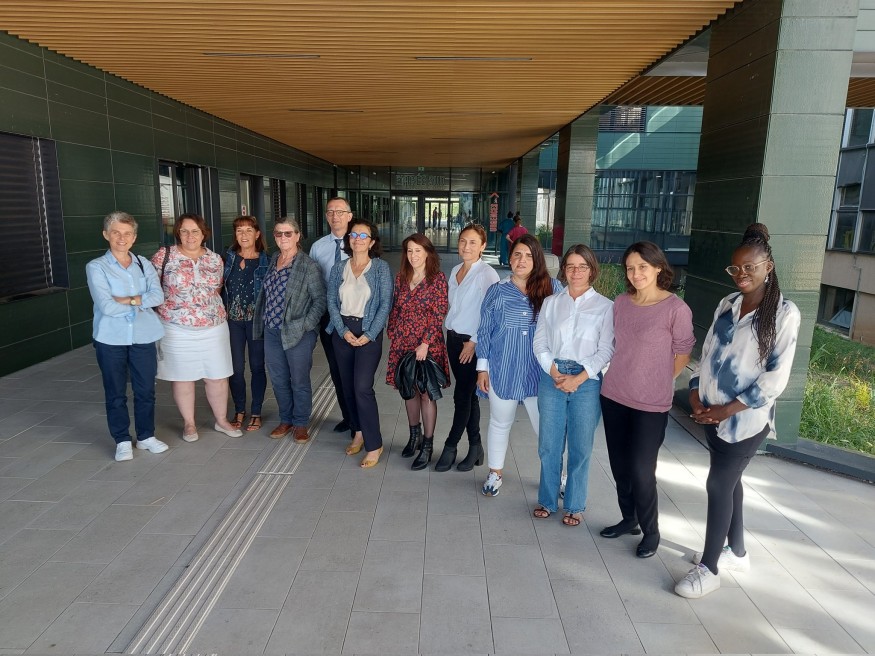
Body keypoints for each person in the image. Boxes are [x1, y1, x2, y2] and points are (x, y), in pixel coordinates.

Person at [676, 223, 801, 599]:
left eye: (750, 267)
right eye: (735, 268)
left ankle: (709, 569)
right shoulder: (727, 304)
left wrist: (727, 410)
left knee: (719, 484)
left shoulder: (784, 314)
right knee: (732, 482)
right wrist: (695, 395)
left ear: (768, 266)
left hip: (744, 421)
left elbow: (774, 379)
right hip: (710, 414)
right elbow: (707, 355)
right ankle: (737, 552)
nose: (741, 274)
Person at [599, 241, 695, 558]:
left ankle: (651, 531)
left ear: (658, 268)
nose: (636, 273)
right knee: (620, 466)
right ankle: (629, 519)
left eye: (642, 266)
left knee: (642, 470)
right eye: (630, 268)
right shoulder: (621, 303)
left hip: (651, 404)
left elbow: (683, 353)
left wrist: (658, 379)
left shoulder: (676, 309)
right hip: (614, 395)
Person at [532, 244, 614, 526]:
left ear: (592, 270)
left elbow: (606, 349)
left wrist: (578, 378)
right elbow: (540, 342)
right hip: (552, 376)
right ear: (564, 270)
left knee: (581, 447)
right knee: (548, 445)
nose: (576, 272)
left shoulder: (606, 307)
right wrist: (555, 374)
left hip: (587, 381)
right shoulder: (551, 302)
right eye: (571, 266)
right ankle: (547, 500)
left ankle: (575, 504)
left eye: (582, 266)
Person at [476, 234, 562, 496]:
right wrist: (482, 368)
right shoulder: (497, 291)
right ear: (510, 258)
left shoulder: (554, 288)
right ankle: (495, 473)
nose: (522, 260)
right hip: (504, 368)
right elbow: (485, 331)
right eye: (517, 254)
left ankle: (559, 476)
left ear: (537, 260)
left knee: (547, 428)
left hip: (541, 372)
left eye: (528, 255)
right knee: (500, 422)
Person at [152, 213, 243, 441]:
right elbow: (152, 289)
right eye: (184, 231)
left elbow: (217, 289)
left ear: (204, 234)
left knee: (217, 376)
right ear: (178, 233)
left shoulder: (215, 259)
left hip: (213, 327)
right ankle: (189, 424)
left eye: (195, 231)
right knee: (183, 377)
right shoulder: (164, 256)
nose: (190, 236)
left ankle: (221, 420)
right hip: (175, 327)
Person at [86, 211, 168, 462]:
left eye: (127, 233)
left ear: (134, 237)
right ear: (106, 235)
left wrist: (126, 300)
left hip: (144, 336)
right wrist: (140, 301)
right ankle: (122, 440)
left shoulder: (143, 263)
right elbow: (106, 307)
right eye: (116, 233)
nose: (122, 238)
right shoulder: (96, 267)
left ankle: (145, 436)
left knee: (146, 390)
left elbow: (158, 296)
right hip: (110, 339)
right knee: (115, 392)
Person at [327, 218, 393, 468]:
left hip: (368, 332)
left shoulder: (380, 268)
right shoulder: (339, 268)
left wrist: (370, 333)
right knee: (346, 386)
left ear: (372, 242)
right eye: (353, 235)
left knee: (362, 387)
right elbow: (331, 301)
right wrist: (342, 330)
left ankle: (374, 444)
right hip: (342, 332)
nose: (357, 239)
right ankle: (358, 432)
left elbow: (385, 304)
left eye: (363, 236)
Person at [253, 217, 326, 442]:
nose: (283, 237)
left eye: (288, 233)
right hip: (272, 330)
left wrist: (305, 325)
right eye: (278, 233)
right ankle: (286, 419)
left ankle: (301, 423)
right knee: (278, 378)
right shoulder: (274, 259)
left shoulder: (308, 265)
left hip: (298, 332)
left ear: (297, 236)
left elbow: (320, 300)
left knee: (299, 380)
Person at [436, 224, 499, 472]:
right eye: (463, 241)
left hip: (471, 343)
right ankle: (476, 447)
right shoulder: (455, 270)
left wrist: (473, 342)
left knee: (462, 396)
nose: (466, 246)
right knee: (469, 395)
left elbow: (491, 314)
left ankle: (450, 446)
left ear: (483, 246)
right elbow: (454, 308)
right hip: (453, 338)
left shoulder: (487, 274)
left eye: (473, 242)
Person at [387, 234, 450, 470]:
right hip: (403, 341)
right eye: (409, 251)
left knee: (426, 393)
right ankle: (414, 436)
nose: (413, 255)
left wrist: (425, 343)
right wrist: (392, 331)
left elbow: (439, 312)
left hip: (427, 344)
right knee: (409, 390)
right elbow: (395, 307)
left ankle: (427, 444)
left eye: (418, 251)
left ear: (427, 253)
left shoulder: (437, 279)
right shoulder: (401, 277)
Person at [223, 215, 270, 433]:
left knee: (257, 366)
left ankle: (256, 411)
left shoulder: (266, 261)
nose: (244, 235)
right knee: (236, 368)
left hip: (256, 321)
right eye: (239, 230)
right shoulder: (228, 258)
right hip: (233, 321)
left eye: (248, 230)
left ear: (257, 234)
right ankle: (240, 409)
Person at [309, 198, 353, 434]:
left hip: (354, 314)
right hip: (328, 315)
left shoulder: (358, 241)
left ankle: (360, 420)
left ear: (349, 215)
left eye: (340, 212)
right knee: (336, 369)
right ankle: (348, 417)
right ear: (326, 216)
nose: (335, 216)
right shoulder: (318, 247)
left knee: (355, 371)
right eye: (331, 212)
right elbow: (314, 282)